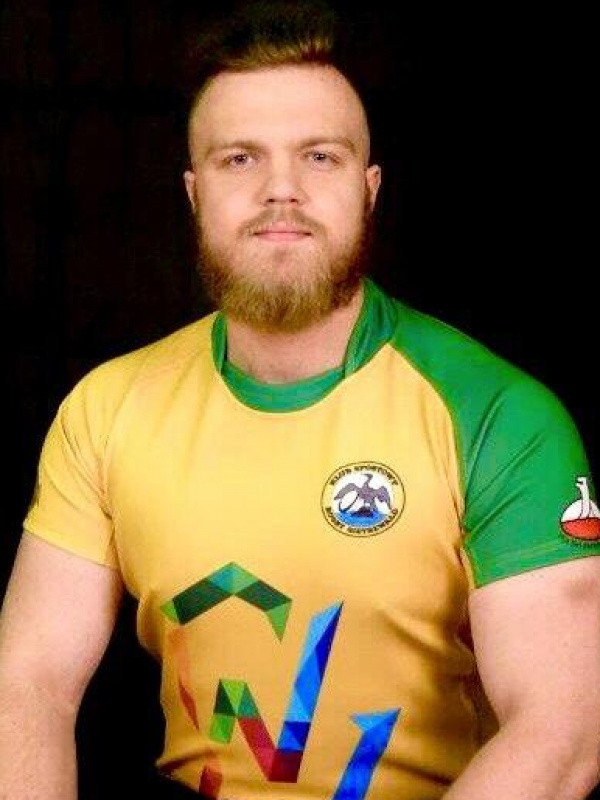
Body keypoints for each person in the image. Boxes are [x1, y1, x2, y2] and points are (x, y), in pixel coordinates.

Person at [1, 1, 600, 798]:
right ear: (193, 193)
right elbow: (30, 684)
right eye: (239, 159)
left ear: (369, 188)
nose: (280, 190)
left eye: (319, 157)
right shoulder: (106, 410)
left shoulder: (500, 416)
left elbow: (563, 735)